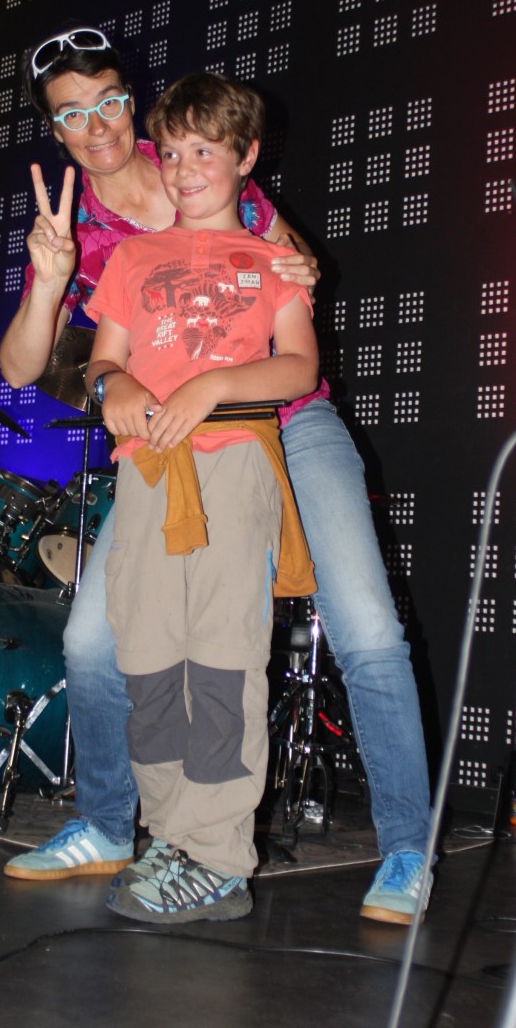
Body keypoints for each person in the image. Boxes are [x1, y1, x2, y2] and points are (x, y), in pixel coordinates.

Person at [0, 26, 434, 925]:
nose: (96, 125)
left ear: (133, 103)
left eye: (107, 101)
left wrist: (295, 264)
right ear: (55, 129)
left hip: (281, 422)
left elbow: (290, 287)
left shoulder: (195, 154)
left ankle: (405, 847)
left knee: (364, 624)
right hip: (168, 447)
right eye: (71, 114)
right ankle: (114, 825)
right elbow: (29, 368)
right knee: (96, 641)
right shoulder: (81, 228)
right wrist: (49, 285)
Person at [84, 71, 319, 921]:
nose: (184, 171)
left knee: (221, 657)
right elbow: (102, 359)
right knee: (147, 657)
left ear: (245, 157)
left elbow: (299, 367)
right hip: (147, 469)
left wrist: (213, 383)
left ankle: (217, 855)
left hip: (233, 462)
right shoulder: (130, 258)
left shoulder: (272, 261)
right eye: (173, 153)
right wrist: (111, 383)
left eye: (204, 152)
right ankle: (171, 835)